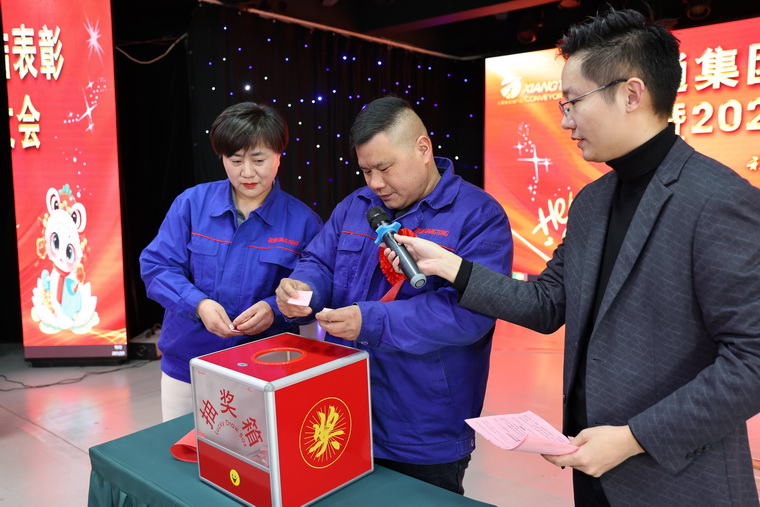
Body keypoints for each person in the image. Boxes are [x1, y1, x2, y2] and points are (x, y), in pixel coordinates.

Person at [386, 8, 760, 507]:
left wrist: (633, 439)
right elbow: (546, 304)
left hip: (679, 482)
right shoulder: (592, 202)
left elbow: (752, 361)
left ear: (631, 94)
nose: (564, 120)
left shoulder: (718, 199)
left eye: (573, 102)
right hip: (589, 468)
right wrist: (452, 267)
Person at [274, 96, 513, 495]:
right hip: (342, 411)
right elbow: (320, 261)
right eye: (366, 171)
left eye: (384, 169)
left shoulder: (478, 216)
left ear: (423, 149)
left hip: (423, 429)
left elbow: (467, 316)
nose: (375, 184)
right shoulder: (356, 206)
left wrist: (369, 322)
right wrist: (303, 289)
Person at [140, 102, 323, 422]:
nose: (247, 172)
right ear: (222, 158)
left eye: (259, 160)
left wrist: (275, 309)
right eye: (235, 160)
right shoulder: (191, 204)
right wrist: (198, 304)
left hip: (265, 368)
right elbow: (156, 267)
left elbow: (314, 292)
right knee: (181, 446)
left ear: (279, 156)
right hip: (187, 364)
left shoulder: (304, 222)